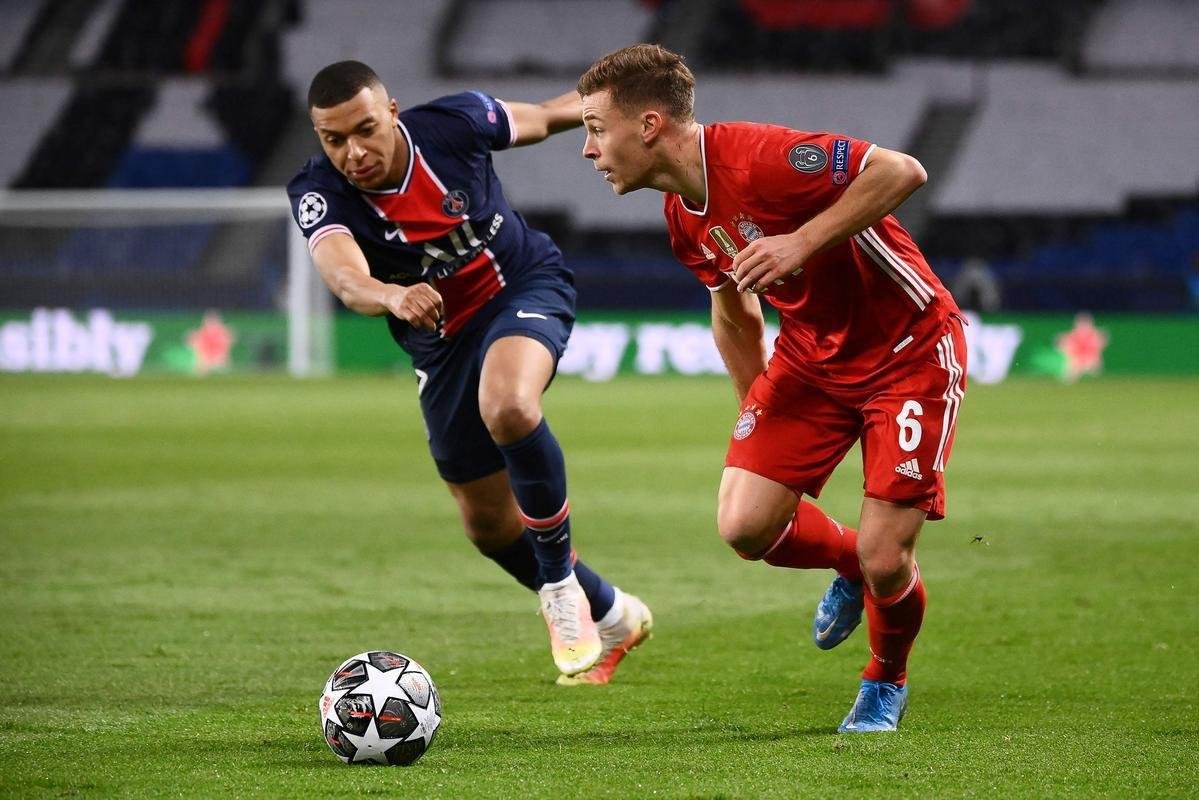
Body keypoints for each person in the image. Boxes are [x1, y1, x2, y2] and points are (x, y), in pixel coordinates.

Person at [577, 44, 967, 730]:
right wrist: (757, 414)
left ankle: (884, 679)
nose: (588, 150)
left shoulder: (761, 158)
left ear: (646, 126)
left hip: (909, 349)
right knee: (746, 523)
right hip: (811, 360)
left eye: (594, 128)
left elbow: (901, 171)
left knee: (887, 557)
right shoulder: (680, 214)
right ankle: (847, 565)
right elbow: (731, 309)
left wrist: (801, 241)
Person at [287, 60, 651, 685]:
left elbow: (544, 115)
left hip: (523, 287)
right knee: (487, 525)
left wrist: (613, 95)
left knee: (508, 404)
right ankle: (615, 614)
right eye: (334, 139)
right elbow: (344, 276)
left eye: (365, 129)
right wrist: (391, 294)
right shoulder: (319, 192)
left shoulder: (455, 123)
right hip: (441, 343)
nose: (353, 151)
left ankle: (560, 588)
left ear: (392, 112)